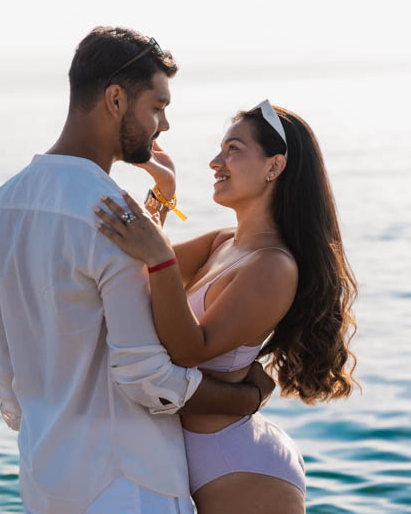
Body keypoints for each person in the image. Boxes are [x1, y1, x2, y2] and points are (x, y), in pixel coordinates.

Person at [0, 26, 275, 514]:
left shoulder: (0, 207)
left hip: (42, 479)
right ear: (116, 99)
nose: (165, 125)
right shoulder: (114, 215)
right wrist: (247, 397)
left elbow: (8, 368)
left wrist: (161, 203)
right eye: (157, 107)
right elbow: (148, 378)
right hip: (128, 485)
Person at [93, 99, 359, 514]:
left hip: (237, 467)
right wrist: (163, 196)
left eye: (233, 149)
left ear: (274, 167)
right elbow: (132, 275)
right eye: (220, 149)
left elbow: (189, 349)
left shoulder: (274, 266)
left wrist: (159, 256)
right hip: (184, 457)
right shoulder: (223, 242)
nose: (216, 161)